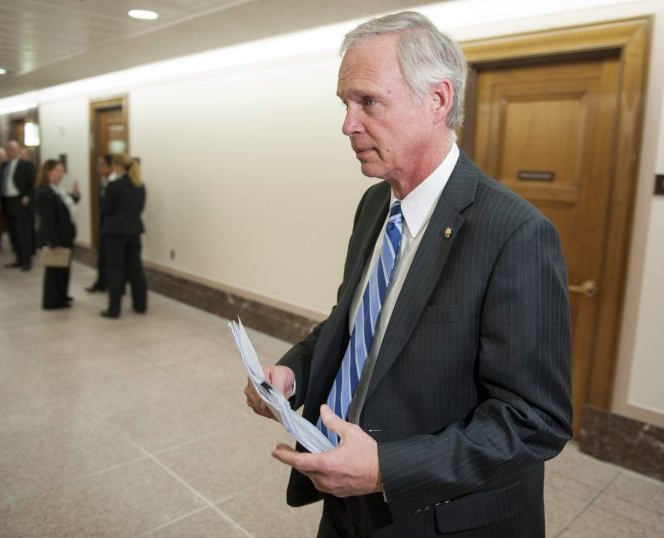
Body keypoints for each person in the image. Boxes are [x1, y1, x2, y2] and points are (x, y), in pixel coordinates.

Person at [243, 12, 572, 537]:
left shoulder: (515, 233)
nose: (348, 124)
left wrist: (386, 469)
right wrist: (294, 371)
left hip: (438, 517)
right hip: (345, 500)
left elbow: (535, 421)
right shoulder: (375, 205)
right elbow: (354, 323)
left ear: (437, 100)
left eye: (368, 101)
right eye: (344, 104)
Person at [99, 153, 147, 318]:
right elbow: (140, 209)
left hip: (116, 232)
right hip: (134, 230)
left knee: (115, 269)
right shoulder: (140, 185)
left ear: (118, 166)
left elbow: (105, 209)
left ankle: (114, 308)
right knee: (135, 268)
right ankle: (140, 304)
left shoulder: (115, 185)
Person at [35, 159, 79, 309]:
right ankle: (52, 300)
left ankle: (62, 295)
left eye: (62, 171)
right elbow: (48, 221)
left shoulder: (58, 189)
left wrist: (76, 196)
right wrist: (53, 243)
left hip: (66, 234)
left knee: (64, 268)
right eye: (58, 171)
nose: (61, 174)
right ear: (48, 172)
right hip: (56, 236)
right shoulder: (44, 193)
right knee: (54, 269)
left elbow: (66, 205)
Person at [1, 140, 36, 271]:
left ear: (18, 150)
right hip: (8, 201)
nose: (10, 152)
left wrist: (28, 197)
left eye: (13, 149)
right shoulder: (4, 166)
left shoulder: (26, 165)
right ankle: (18, 258)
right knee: (13, 233)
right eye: (8, 149)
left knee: (23, 233)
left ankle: (26, 261)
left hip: (21, 201)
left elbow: (33, 184)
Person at [86, 154, 114, 293]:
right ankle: (101, 281)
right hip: (103, 223)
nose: (99, 168)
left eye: (102, 164)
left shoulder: (114, 184)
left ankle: (113, 283)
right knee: (102, 253)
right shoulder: (102, 181)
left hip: (112, 225)